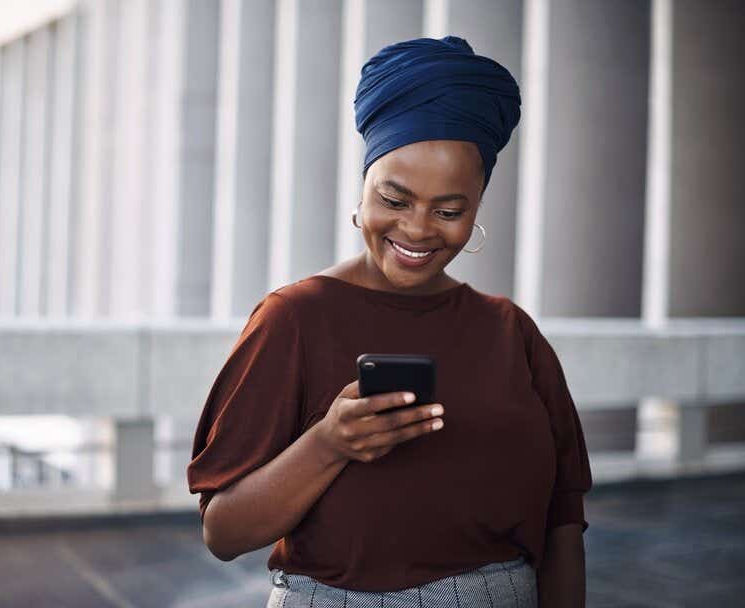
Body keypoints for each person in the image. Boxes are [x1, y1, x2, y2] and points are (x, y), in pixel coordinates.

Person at [187, 36, 592, 607]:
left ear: (477, 207)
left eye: (449, 211)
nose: (419, 230)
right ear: (363, 186)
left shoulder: (512, 332)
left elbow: (563, 522)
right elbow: (223, 533)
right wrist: (328, 444)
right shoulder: (294, 319)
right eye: (395, 200)